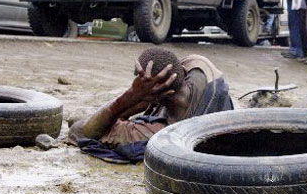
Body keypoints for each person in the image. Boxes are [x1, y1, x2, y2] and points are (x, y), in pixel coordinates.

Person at [69, 48, 233, 163]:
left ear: (154, 98)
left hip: (177, 126)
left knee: (78, 122)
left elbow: (83, 131)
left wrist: (130, 97)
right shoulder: (201, 68)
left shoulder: (157, 134)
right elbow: (173, 64)